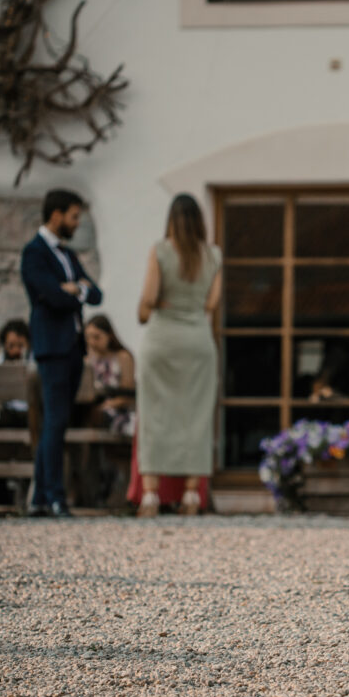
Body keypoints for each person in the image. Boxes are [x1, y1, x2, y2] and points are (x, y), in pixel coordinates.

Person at [135, 193, 221, 517]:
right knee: (196, 416)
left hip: (163, 338)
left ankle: (150, 495)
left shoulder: (160, 251)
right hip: (197, 340)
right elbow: (211, 303)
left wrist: (148, 309)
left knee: (154, 413)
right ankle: (191, 494)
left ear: (171, 219)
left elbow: (148, 298)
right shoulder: (213, 255)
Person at [20, 189, 103, 518]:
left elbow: (96, 294)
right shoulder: (34, 253)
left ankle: (41, 497)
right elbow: (52, 297)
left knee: (58, 422)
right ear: (56, 215)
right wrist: (73, 290)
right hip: (52, 347)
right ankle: (55, 496)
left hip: (73, 349)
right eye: (73, 216)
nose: (77, 223)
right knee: (54, 421)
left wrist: (75, 289)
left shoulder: (68, 254)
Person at [84, 315, 135, 436]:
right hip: (92, 409)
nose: (92, 342)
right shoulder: (88, 360)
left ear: (109, 335)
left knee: (93, 416)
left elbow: (127, 395)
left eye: (97, 337)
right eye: (88, 338)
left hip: (117, 411)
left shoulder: (123, 357)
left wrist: (107, 405)